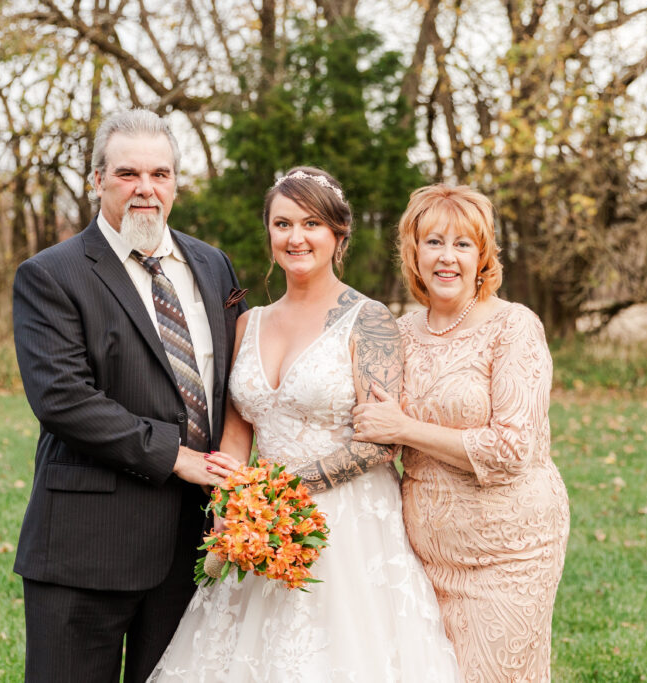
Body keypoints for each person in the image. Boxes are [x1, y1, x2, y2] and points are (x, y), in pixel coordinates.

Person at [147, 167, 459, 681]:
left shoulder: (371, 320)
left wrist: (282, 491)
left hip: (346, 526)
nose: (296, 238)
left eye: (312, 224)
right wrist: (233, 504)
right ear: (269, 232)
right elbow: (237, 430)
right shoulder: (249, 322)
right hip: (259, 523)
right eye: (283, 224)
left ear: (339, 235)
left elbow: (380, 443)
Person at [11, 108, 247, 682]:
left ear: (175, 184)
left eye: (160, 174)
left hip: (190, 545)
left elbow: (235, 381)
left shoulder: (212, 266)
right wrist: (176, 456)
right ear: (97, 181)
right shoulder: (52, 275)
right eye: (127, 174)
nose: (146, 188)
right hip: (86, 545)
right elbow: (63, 398)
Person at [351, 184, 570, 682]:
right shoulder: (399, 334)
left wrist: (407, 427)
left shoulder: (514, 327)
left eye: (462, 244)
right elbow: (372, 431)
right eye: (434, 242)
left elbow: (512, 448)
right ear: (414, 252)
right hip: (422, 555)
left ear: (483, 256)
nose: (447, 258)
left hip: (511, 552)